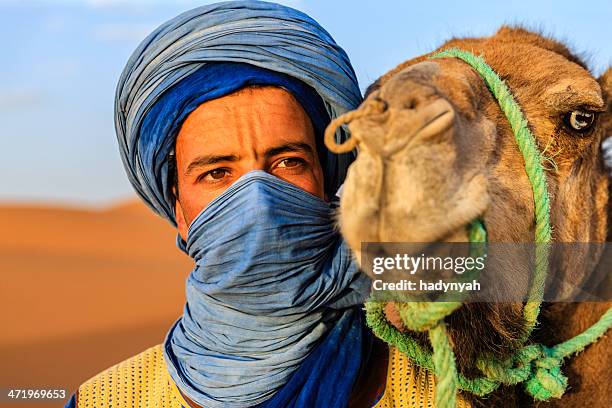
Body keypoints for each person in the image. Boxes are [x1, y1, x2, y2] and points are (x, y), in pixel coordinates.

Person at [64, 1, 387, 407]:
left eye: (288, 162)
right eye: (217, 173)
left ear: (326, 185)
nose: (259, 202)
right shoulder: (107, 400)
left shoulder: (444, 378)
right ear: (179, 212)